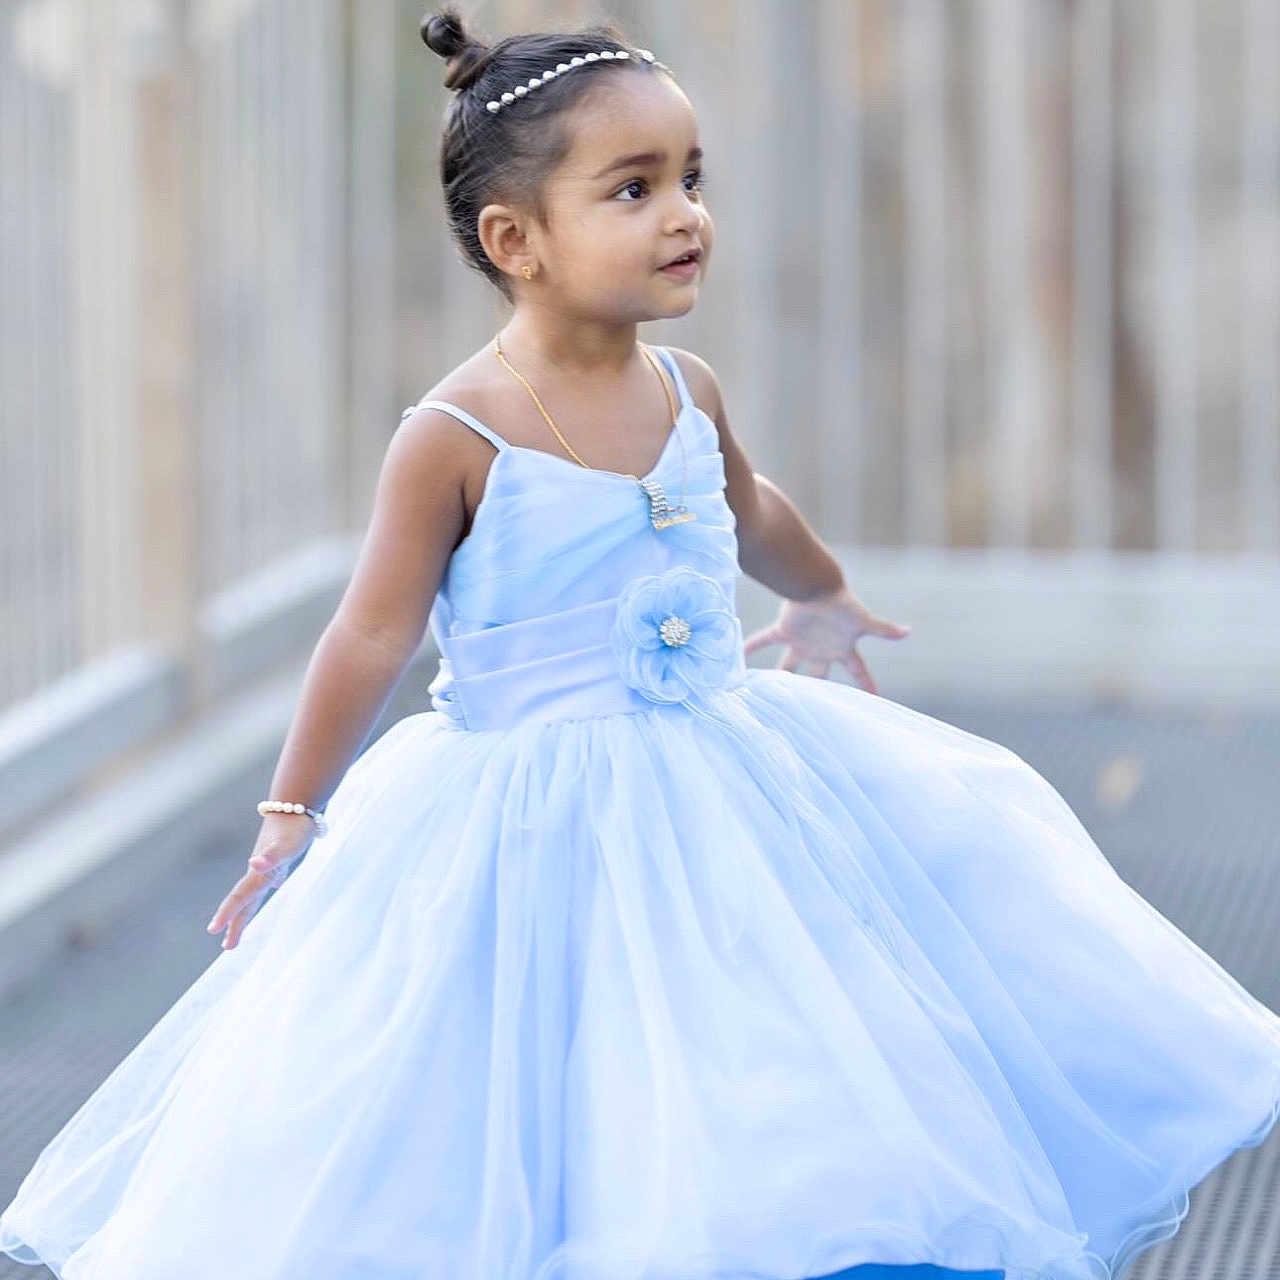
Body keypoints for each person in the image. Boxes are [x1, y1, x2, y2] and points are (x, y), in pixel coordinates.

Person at [4, 7, 1279, 1279]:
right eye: (632, 188)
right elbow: (371, 629)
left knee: (752, 1035)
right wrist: (293, 803)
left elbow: (745, 506)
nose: (684, 214)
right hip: (521, 808)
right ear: (517, 241)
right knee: (551, 1066)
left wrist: (821, 593)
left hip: (720, 785)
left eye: (690, 178)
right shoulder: (456, 433)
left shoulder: (686, 388)